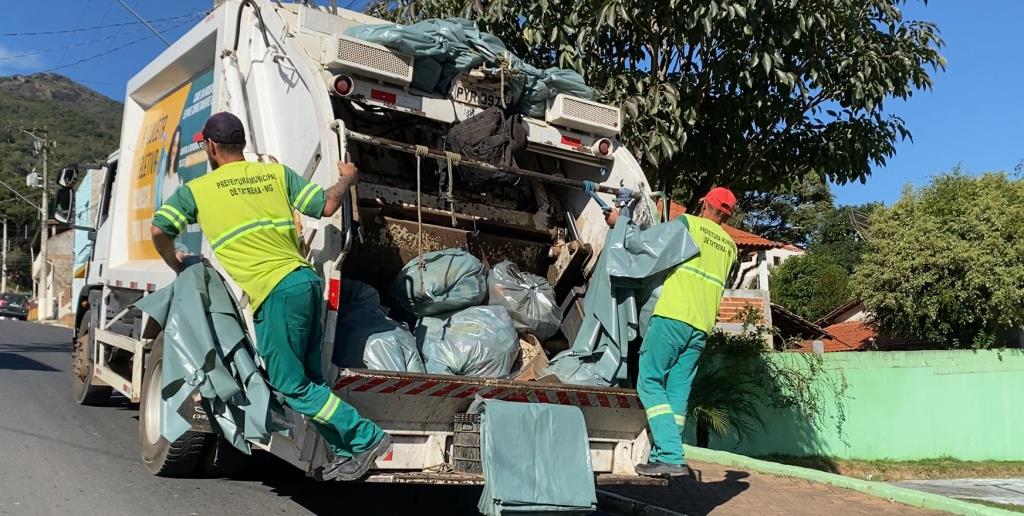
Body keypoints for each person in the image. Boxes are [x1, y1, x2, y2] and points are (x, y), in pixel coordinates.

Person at [150, 112, 391, 482]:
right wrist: (346, 179)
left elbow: (159, 229)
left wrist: (176, 262)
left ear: (211, 147)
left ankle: (366, 438)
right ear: (241, 143)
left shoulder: (199, 190)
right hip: (306, 284)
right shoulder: (276, 175)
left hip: (274, 292)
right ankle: (345, 451)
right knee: (309, 379)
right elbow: (326, 206)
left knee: (288, 384)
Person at [607, 187, 738, 478]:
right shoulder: (731, 246)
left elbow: (645, 245)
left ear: (704, 203)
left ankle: (670, 454)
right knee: (677, 391)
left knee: (649, 382)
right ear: (728, 215)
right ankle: (662, 454)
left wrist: (621, 222)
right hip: (701, 327)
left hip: (672, 317)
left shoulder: (689, 225)